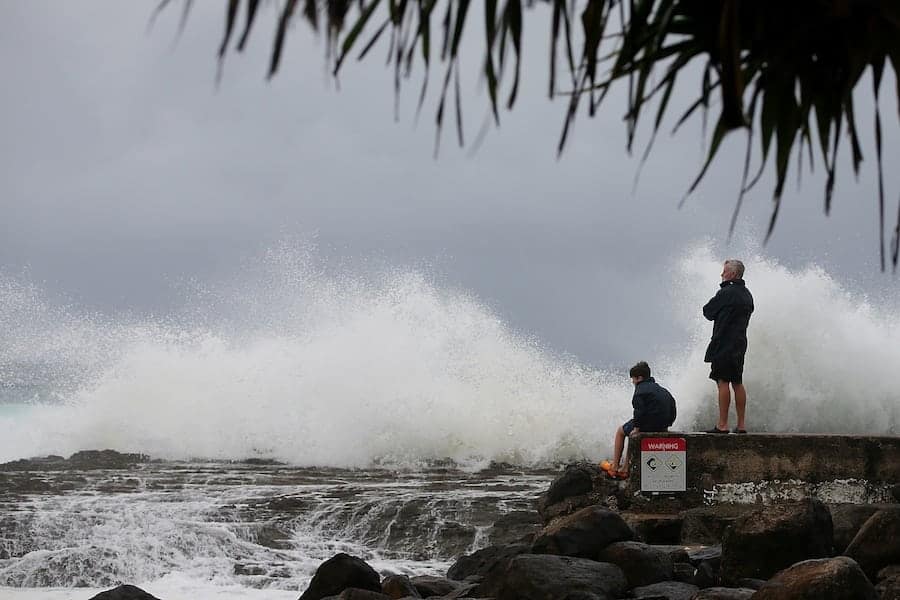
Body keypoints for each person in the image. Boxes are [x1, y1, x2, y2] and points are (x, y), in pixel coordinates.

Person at [703, 259, 754, 434]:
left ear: (732, 274)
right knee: (737, 382)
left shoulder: (725, 292)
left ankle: (722, 425)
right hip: (740, 343)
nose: (721, 274)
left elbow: (708, 311)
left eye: (724, 271)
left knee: (723, 381)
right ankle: (741, 425)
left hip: (723, 342)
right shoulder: (747, 295)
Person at [608, 361, 677, 478]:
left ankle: (616, 467)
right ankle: (625, 466)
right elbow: (672, 407)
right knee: (631, 432)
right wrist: (666, 426)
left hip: (648, 424)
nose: (632, 382)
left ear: (639, 378)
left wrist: (636, 428)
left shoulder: (640, 390)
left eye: (633, 379)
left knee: (621, 431)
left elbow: (639, 411)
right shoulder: (663, 390)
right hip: (663, 425)